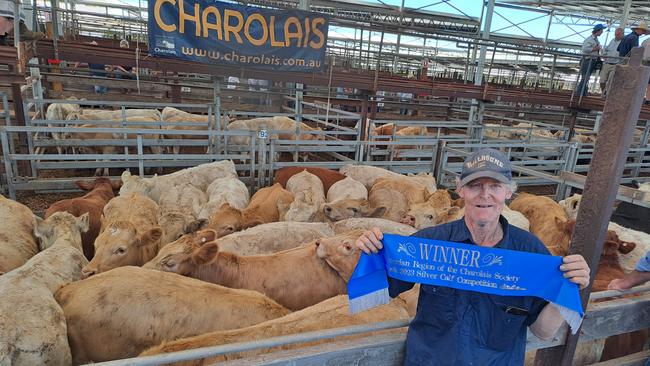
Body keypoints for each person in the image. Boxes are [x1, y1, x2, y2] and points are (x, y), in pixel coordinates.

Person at [355, 148, 591, 366]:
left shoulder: (529, 252)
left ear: (508, 191)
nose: (485, 195)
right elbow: (379, 290)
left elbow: (544, 331)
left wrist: (568, 285)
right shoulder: (430, 244)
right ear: (461, 190)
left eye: (496, 186)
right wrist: (370, 252)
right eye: (475, 185)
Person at [576, 24, 606, 97]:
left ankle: (582, 93)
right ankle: (580, 93)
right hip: (587, 60)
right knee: (585, 77)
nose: (602, 32)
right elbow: (585, 49)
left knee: (586, 78)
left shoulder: (595, 39)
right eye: (601, 31)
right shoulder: (589, 39)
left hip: (591, 60)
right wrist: (595, 49)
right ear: (598, 31)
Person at [599, 28, 624, 96]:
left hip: (616, 64)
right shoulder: (612, 41)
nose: (616, 36)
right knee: (602, 80)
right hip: (607, 63)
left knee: (611, 81)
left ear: (622, 34)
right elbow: (607, 50)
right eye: (615, 34)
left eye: (618, 34)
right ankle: (604, 92)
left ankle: (608, 95)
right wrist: (604, 55)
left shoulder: (624, 42)